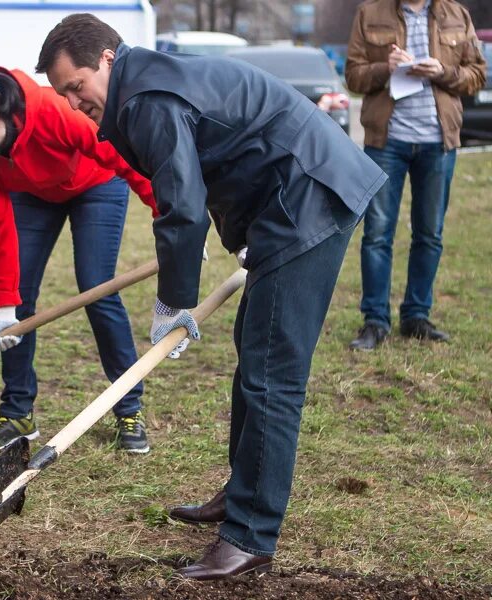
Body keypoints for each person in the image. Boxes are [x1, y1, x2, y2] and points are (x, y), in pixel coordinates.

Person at [36, 14, 387, 578]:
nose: (75, 104)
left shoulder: (146, 97)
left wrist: (173, 302)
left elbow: (183, 204)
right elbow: (226, 151)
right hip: (289, 200)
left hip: (309, 196)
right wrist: (250, 234)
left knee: (272, 374)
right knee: (256, 356)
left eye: (76, 87)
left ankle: (249, 537)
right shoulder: (144, 85)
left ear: (106, 58)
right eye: (64, 96)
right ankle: (243, 492)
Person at [0, 67, 159, 453]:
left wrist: (170, 220)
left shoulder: (53, 112)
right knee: (20, 301)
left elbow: (124, 160)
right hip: (33, 194)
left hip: (96, 183)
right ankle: (18, 412)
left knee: (97, 287)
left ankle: (129, 408)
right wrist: (4, 305)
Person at [345, 0, 486, 351]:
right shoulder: (370, 12)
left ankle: (416, 316)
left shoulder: (456, 15)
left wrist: (442, 71)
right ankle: (375, 322)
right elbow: (353, 76)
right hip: (386, 141)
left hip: (438, 141)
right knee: (377, 233)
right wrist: (383, 68)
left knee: (430, 233)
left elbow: (477, 75)